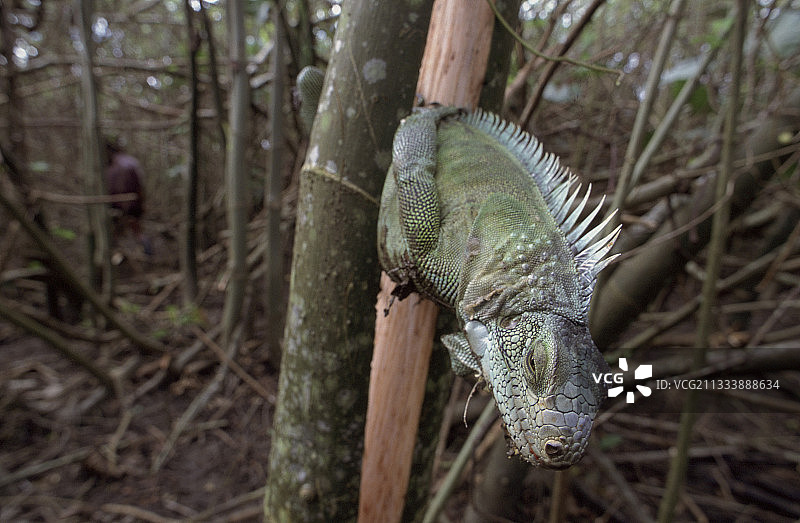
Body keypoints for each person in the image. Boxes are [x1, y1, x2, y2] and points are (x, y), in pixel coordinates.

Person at [105, 141, 153, 255]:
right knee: (136, 229)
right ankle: (146, 255)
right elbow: (140, 185)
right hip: (132, 203)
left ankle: (118, 256)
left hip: (117, 204)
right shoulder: (131, 162)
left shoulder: (111, 166)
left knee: (118, 231)